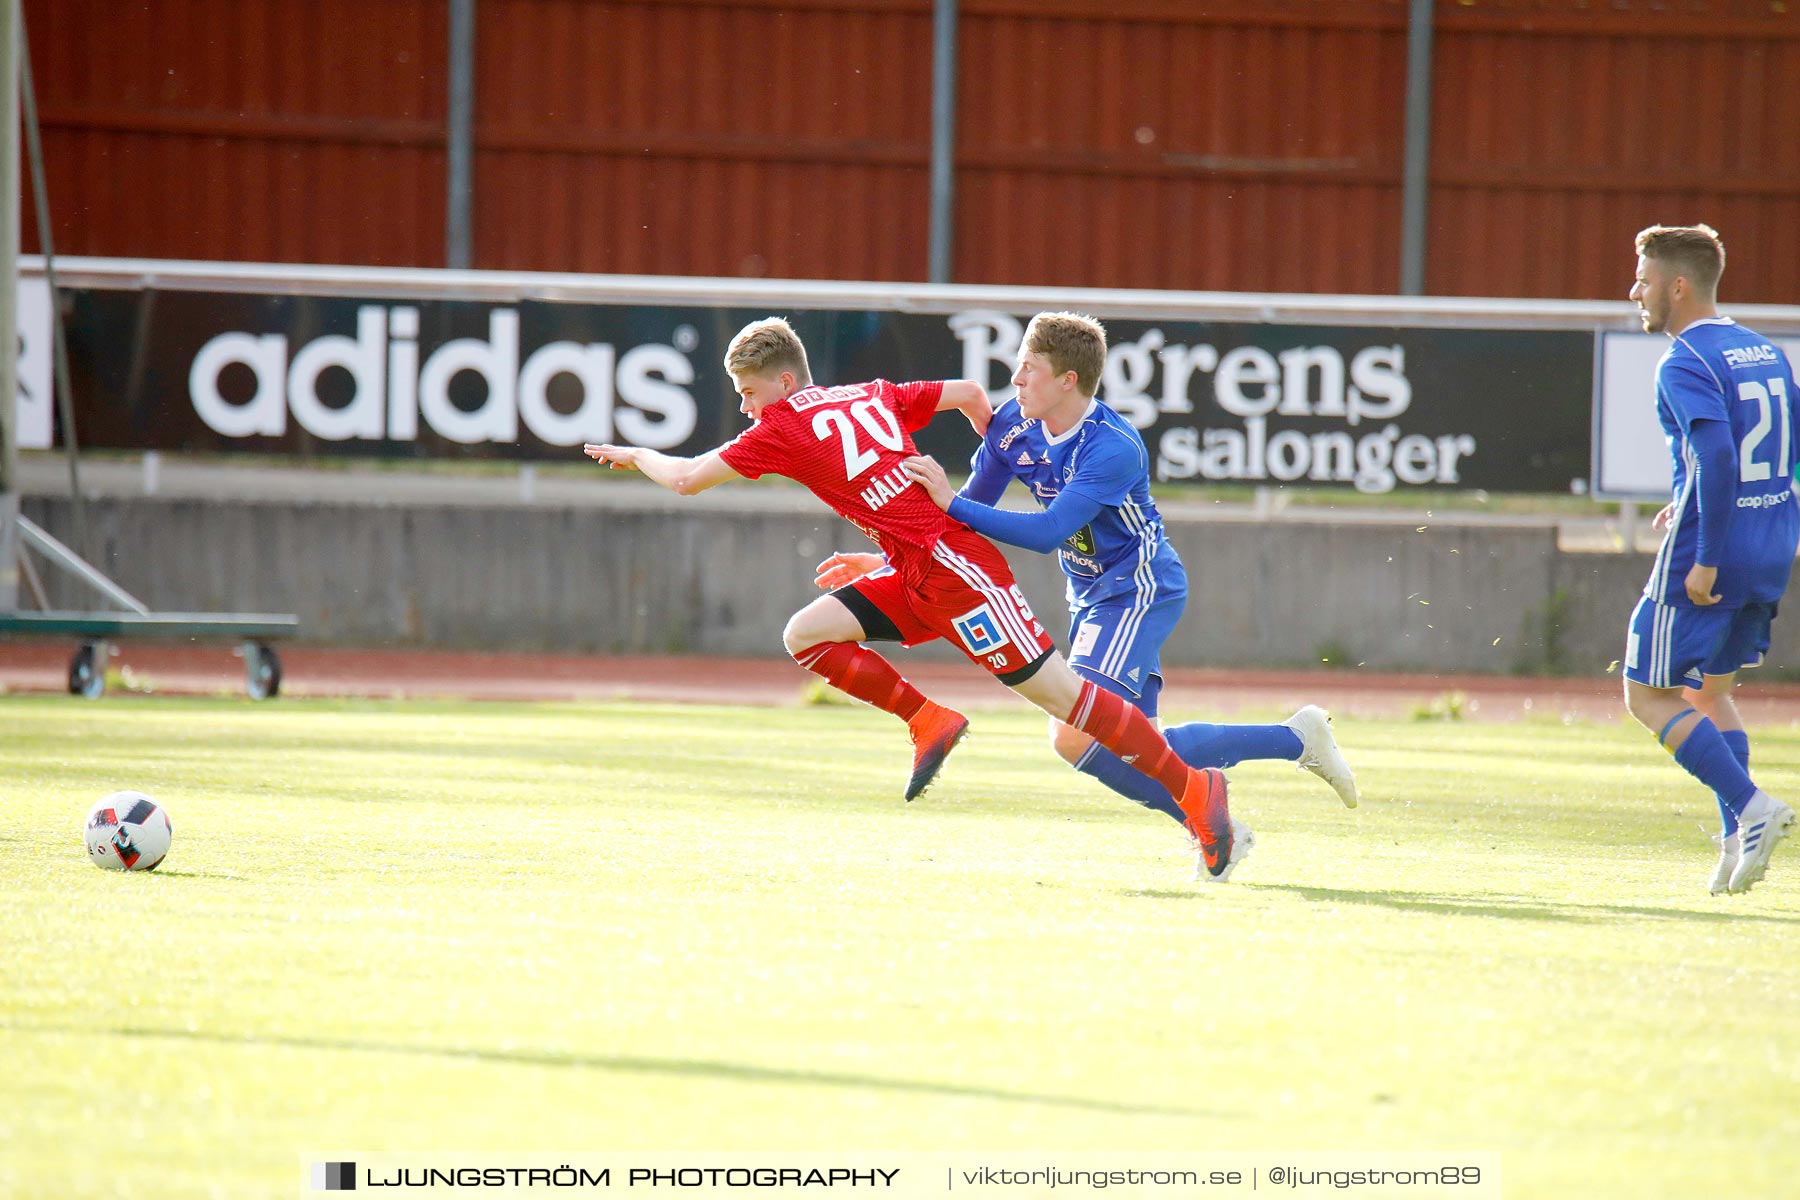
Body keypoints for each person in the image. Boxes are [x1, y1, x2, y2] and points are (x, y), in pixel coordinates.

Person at [584, 316, 1251, 881]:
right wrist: (1000, 443)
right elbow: (964, 393)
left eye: (748, 392)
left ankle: (1198, 791)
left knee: (1067, 702)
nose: (744, 408)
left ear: (785, 382)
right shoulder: (867, 394)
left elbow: (687, 478)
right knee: (807, 634)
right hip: (913, 568)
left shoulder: (782, 427)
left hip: (959, 576)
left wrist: (636, 451)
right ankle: (928, 720)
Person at [831, 311, 1356, 879]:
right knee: (1125, 743)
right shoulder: (1013, 425)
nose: (1017, 378)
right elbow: (962, 515)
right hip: (1090, 592)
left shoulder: (1113, 448)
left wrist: (948, 501)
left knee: (1075, 735)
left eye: (1030, 368)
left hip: (1137, 588)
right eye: (1018, 365)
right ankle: (1287, 745)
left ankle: (1217, 820)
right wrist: (893, 558)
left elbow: (1047, 530)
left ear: (1068, 381)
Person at [1621, 224, 1798, 894]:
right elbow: (1787, 439)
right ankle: (1736, 842)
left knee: (1647, 694)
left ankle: (1753, 810)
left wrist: (1703, 555)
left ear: (1677, 286)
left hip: (1712, 555)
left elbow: (1720, 456)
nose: (1634, 292)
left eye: (1642, 280)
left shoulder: (1684, 360)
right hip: (1771, 545)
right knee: (1710, 691)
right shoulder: (1761, 349)